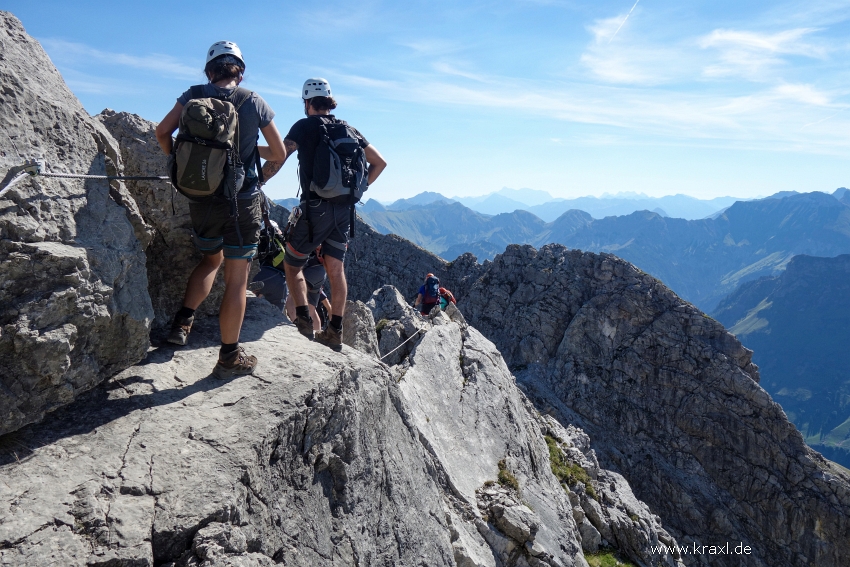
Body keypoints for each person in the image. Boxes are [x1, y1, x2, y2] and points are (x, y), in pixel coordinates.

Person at [154, 41, 287, 378]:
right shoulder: (253, 100)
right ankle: (229, 356)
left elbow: (161, 131)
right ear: (239, 72)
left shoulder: (192, 95)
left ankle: (182, 323)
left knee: (210, 260)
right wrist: (259, 172)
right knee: (237, 277)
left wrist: (179, 161)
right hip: (241, 201)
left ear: (209, 70)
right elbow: (279, 152)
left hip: (201, 195)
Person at [262, 78, 387, 349]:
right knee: (336, 268)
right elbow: (380, 162)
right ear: (329, 102)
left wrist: (259, 179)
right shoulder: (349, 129)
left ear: (307, 102)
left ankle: (304, 323)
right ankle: (334, 332)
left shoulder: (304, 126)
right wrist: (359, 188)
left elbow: (279, 155)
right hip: (345, 211)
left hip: (314, 209)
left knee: (293, 263)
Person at [284, 247, 328, 332]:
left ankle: (295, 323)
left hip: (314, 269)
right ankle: (316, 332)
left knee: (294, 293)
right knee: (311, 307)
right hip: (319, 272)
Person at [251, 220, 288, 310]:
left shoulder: (261, 238)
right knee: (277, 314)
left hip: (263, 274)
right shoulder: (282, 241)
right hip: (281, 281)